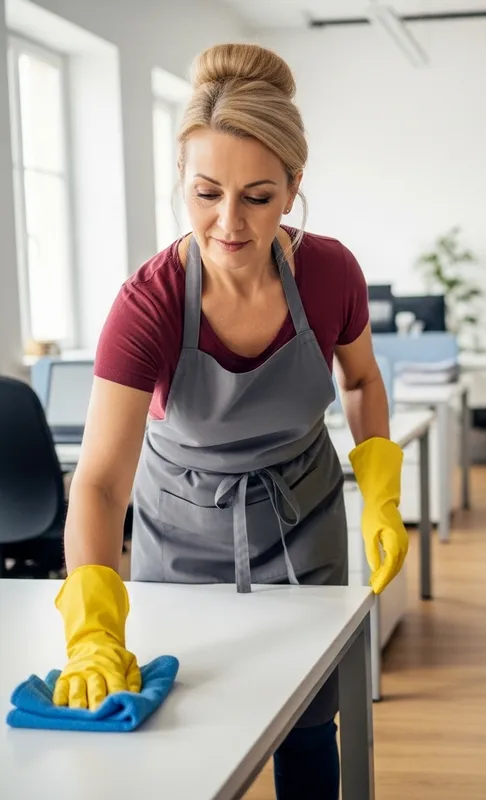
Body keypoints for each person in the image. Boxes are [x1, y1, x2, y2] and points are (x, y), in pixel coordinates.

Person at [52, 42, 408, 799]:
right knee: (180, 725)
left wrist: (379, 489)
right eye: (206, 193)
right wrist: (91, 632)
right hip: (178, 532)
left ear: (294, 188)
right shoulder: (146, 303)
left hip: (302, 516)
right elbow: (101, 483)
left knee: (310, 724)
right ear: (182, 180)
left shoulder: (329, 273)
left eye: (257, 196)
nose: (229, 223)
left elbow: (363, 380)